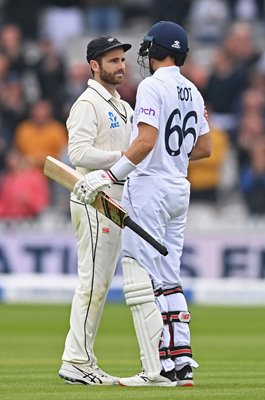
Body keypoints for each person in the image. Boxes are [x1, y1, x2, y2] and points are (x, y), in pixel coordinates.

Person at [73, 21, 212, 386]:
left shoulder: (151, 86)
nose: (144, 58)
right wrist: (172, 157)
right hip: (179, 188)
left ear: (158, 51)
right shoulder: (193, 91)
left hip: (149, 188)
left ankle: (155, 369)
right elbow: (204, 148)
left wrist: (110, 175)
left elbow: (145, 141)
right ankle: (179, 363)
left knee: (139, 275)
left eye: (149, 50)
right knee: (169, 277)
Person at [58, 36, 133, 385]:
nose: (121, 66)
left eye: (122, 60)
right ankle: (77, 361)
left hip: (114, 201)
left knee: (99, 284)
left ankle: (80, 358)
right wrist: (123, 159)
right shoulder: (88, 103)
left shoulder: (122, 106)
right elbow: (78, 154)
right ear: (94, 65)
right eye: (114, 61)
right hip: (93, 198)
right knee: (93, 283)